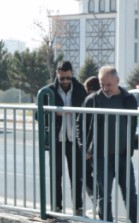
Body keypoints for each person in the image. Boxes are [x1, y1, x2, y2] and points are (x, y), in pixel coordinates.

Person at [82, 66, 139, 223]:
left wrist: (129, 147)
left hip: (122, 154)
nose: (105, 88)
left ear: (117, 80)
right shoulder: (93, 100)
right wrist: (84, 148)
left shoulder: (128, 99)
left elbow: (133, 125)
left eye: (109, 84)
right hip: (101, 155)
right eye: (102, 84)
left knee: (130, 193)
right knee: (104, 194)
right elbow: (80, 124)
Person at [41, 60, 87, 214]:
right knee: (56, 175)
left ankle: (77, 207)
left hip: (75, 140)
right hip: (57, 140)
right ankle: (57, 207)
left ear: (72, 74)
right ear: (57, 75)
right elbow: (37, 115)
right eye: (62, 78)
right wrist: (53, 112)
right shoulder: (48, 91)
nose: (65, 81)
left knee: (77, 176)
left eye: (68, 77)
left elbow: (87, 113)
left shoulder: (80, 90)